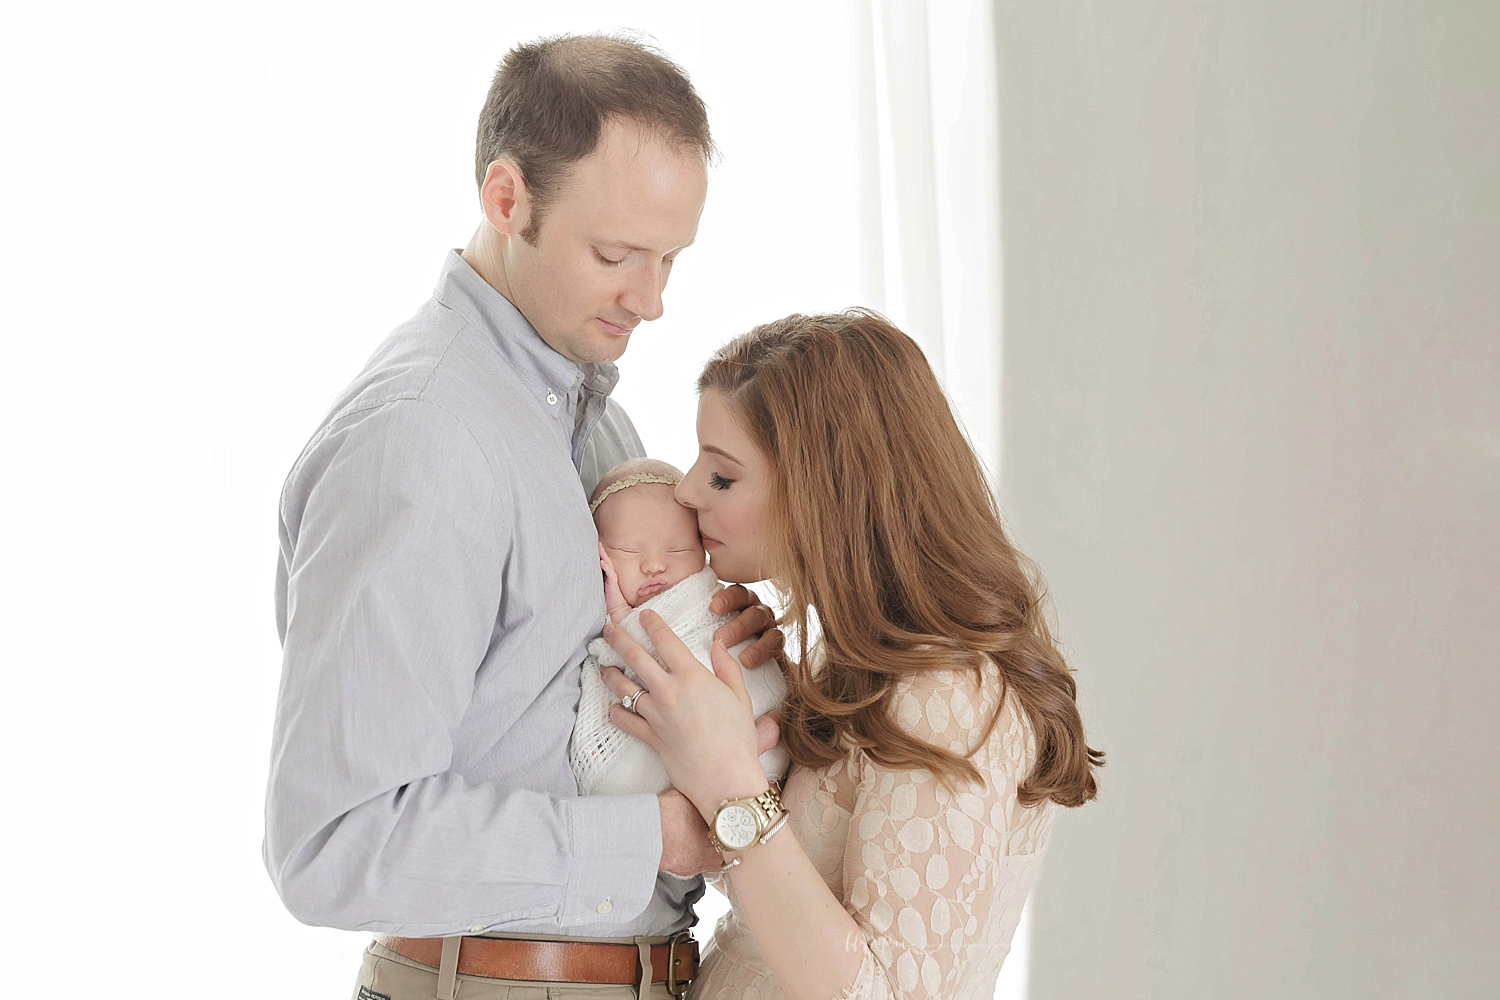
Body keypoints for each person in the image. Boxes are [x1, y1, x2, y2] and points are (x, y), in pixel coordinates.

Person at [264, 34, 783, 1000]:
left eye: (671, 258)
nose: (654, 299)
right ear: (507, 200)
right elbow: (333, 843)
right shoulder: (420, 439)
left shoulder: (601, 425)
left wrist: (709, 627)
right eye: (616, 254)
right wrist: (659, 835)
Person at [599, 310, 1105, 1000]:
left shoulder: (950, 694)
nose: (685, 492)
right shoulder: (861, 677)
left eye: (721, 477)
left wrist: (726, 779)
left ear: (822, 491)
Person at [572, 458, 788, 798]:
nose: (655, 566)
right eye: (629, 551)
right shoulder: (596, 606)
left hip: (756, 746)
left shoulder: (715, 602)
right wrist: (619, 612)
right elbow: (624, 652)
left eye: (678, 549)